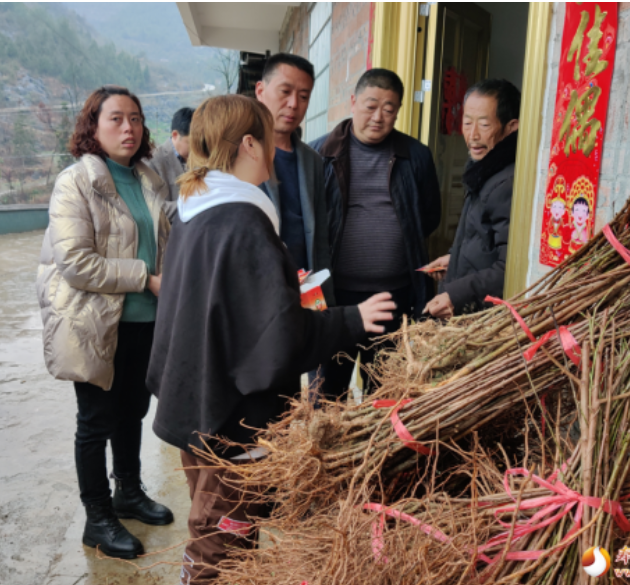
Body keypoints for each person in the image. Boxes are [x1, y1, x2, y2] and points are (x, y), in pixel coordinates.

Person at [146, 94, 395, 585]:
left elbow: (219, 311)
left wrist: (281, 289)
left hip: (194, 404)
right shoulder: (242, 220)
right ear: (247, 145)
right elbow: (275, 340)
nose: (275, 153)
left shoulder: (195, 212)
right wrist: (352, 319)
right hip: (233, 421)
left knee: (212, 523)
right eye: (268, 139)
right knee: (220, 541)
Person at [36, 85, 173, 560]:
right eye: (115, 119)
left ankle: (128, 493)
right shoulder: (74, 182)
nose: (128, 128)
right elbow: (74, 261)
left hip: (145, 321)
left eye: (135, 118)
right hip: (95, 324)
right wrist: (145, 278)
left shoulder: (151, 179)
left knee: (133, 409)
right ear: (92, 127)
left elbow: (167, 241)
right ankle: (97, 518)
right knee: (95, 422)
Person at [310, 67, 441, 397]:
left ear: (398, 111)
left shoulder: (417, 156)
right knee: (327, 397)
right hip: (335, 301)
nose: (379, 116)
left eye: (389, 108)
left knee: (385, 395)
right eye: (371, 105)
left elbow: (429, 217)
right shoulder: (318, 155)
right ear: (353, 102)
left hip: (394, 298)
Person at [423, 78, 520, 318]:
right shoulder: (484, 171)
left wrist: (456, 295)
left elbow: (509, 268)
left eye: (484, 124)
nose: (472, 135)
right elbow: (482, 241)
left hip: (483, 318)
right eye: (467, 123)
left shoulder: (506, 183)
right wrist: (454, 261)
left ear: (511, 127)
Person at [255, 53, 333, 302]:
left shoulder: (312, 160)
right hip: (259, 288)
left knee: (306, 339)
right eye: (285, 92)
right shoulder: (240, 154)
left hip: (306, 285)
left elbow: (319, 237)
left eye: (303, 97)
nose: (293, 104)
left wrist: (322, 301)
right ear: (260, 90)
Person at [146, 106, 194, 220]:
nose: (197, 148)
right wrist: (196, 205)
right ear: (175, 135)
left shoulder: (201, 157)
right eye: (192, 142)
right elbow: (156, 208)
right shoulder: (153, 161)